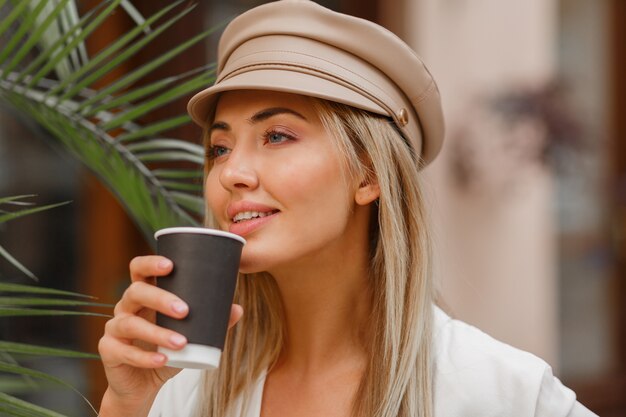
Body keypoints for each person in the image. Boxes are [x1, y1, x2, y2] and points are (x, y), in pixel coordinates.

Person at [97, 1, 597, 416]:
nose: (231, 173)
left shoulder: (502, 392)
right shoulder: (184, 393)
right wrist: (128, 405)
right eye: (220, 148)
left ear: (369, 175)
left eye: (276, 136)